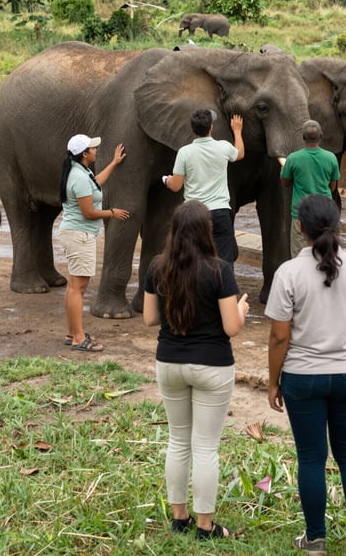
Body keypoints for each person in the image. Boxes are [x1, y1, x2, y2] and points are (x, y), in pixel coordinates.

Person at [266, 194, 346, 556]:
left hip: (303, 377)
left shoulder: (288, 273)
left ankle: (315, 538)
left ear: (300, 228)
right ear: (338, 223)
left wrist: (273, 380)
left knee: (311, 458)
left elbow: (279, 336)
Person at [143, 200, 249, 541]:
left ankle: (179, 517)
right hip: (212, 366)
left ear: (173, 232)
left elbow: (149, 319)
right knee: (205, 447)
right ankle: (206, 526)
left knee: (178, 441)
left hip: (169, 362)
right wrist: (242, 309)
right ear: (208, 231)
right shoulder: (219, 270)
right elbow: (232, 327)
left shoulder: (157, 267)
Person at [58, 133, 129, 352]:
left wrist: (114, 164)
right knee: (78, 288)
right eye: (93, 148)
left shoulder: (81, 172)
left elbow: (95, 185)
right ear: (84, 154)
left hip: (77, 234)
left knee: (74, 286)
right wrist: (111, 213)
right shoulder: (79, 177)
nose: (96, 151)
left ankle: (73, 333)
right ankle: (79, 338)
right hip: (80, 236)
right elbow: (88, 212)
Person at [162, 108, 244, 266]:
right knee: (224, 262)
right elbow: (239, 153)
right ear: (211, 127)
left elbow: (176, 186)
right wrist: (237, 131)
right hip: (220, 212)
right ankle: (224, 290)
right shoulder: (223, 147)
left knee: (192, 262)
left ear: (193, 129)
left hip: (194, 214)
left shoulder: (184, 153)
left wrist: (166, 180)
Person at [281, 119, 341, 257]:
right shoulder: (331, 158)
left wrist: (285, 169)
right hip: (325, 213)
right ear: (321, 135)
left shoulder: (293, 158)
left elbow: (285, 182)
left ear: (302, 137)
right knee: (327, 254)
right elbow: (332, 187)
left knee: (299, 255)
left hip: (301, 215)